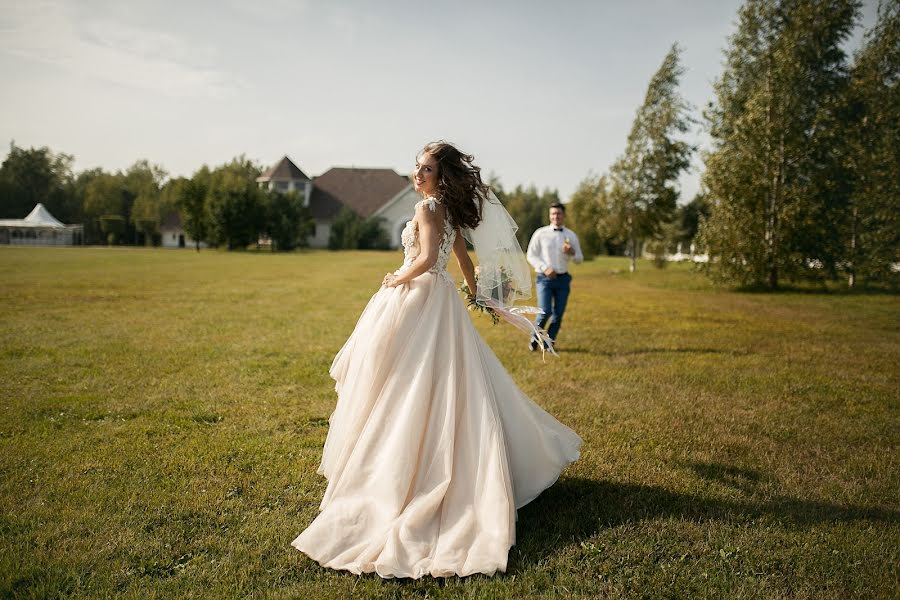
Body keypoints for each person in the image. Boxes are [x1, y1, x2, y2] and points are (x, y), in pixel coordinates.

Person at [291, 141, 582, 579]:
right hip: (439, 301)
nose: (418, 173)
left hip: (417, 297)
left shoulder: (429, 210)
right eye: (417, 166)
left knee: (403, 381)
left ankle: (398, 472)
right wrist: (480, 297)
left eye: (426, 169)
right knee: (431, 380)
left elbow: (427, 260)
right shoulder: (445, 211)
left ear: (441, 175)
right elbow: (462, 259)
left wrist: (396, 277)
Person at [526, 203, 583, 351]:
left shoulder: (571, 235)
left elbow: (579, 259)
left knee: (558, 315)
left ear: (563, 215)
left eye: (558, 214)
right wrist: (545, 268)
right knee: (544, 311)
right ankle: (535, 336)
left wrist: (572, 252)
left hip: (563, 279)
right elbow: (531, 255)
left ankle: (548, 344)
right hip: (544, 279)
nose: (556, 216)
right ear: (549, 216)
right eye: (553, 214)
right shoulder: (540, 233)